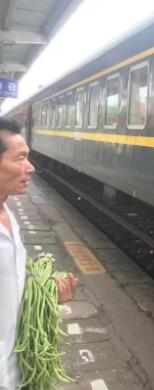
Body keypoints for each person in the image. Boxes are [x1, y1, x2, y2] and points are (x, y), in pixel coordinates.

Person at [0, 117, 78, 390]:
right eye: (20, 158)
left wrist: (44, 290)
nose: (30, 168)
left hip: (15, 368)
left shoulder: (8, 214)